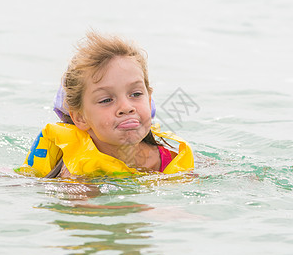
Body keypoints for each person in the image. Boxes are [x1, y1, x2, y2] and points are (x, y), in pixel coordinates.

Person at [15, 32, 194, 178]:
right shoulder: (77, 176)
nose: (126, 107)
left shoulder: (170, 159)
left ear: (149, 100)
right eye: (106, 100)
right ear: (80, 117)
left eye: (136, 94)